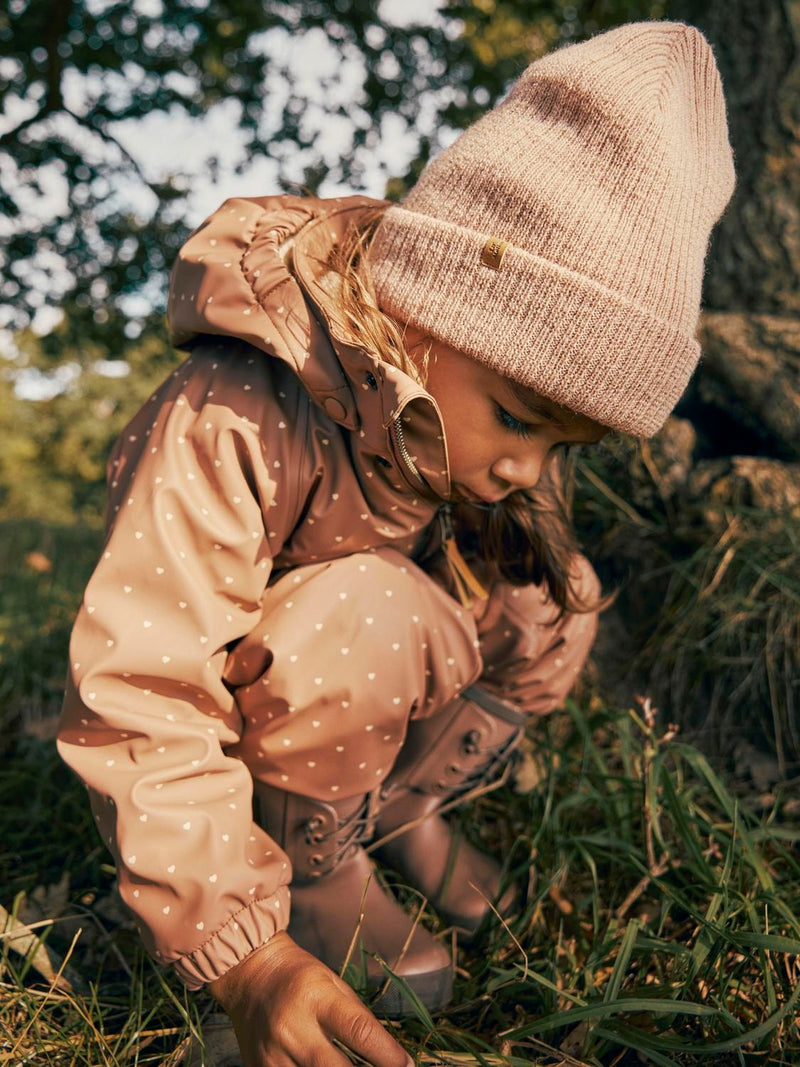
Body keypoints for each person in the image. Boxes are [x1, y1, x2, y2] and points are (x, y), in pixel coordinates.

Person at [57, 19, 735, 1067]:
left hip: (343, 731)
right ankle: (308, 866)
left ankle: (386, 820)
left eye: (563, 442)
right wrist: (245, 955)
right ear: (422, 304)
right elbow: (143, 687)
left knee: (550, 594)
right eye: (517, 417)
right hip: (243, 738)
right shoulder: (237, 411)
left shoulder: (441, 422)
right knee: (372, 609)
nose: (526, 467)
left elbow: (504, 566)